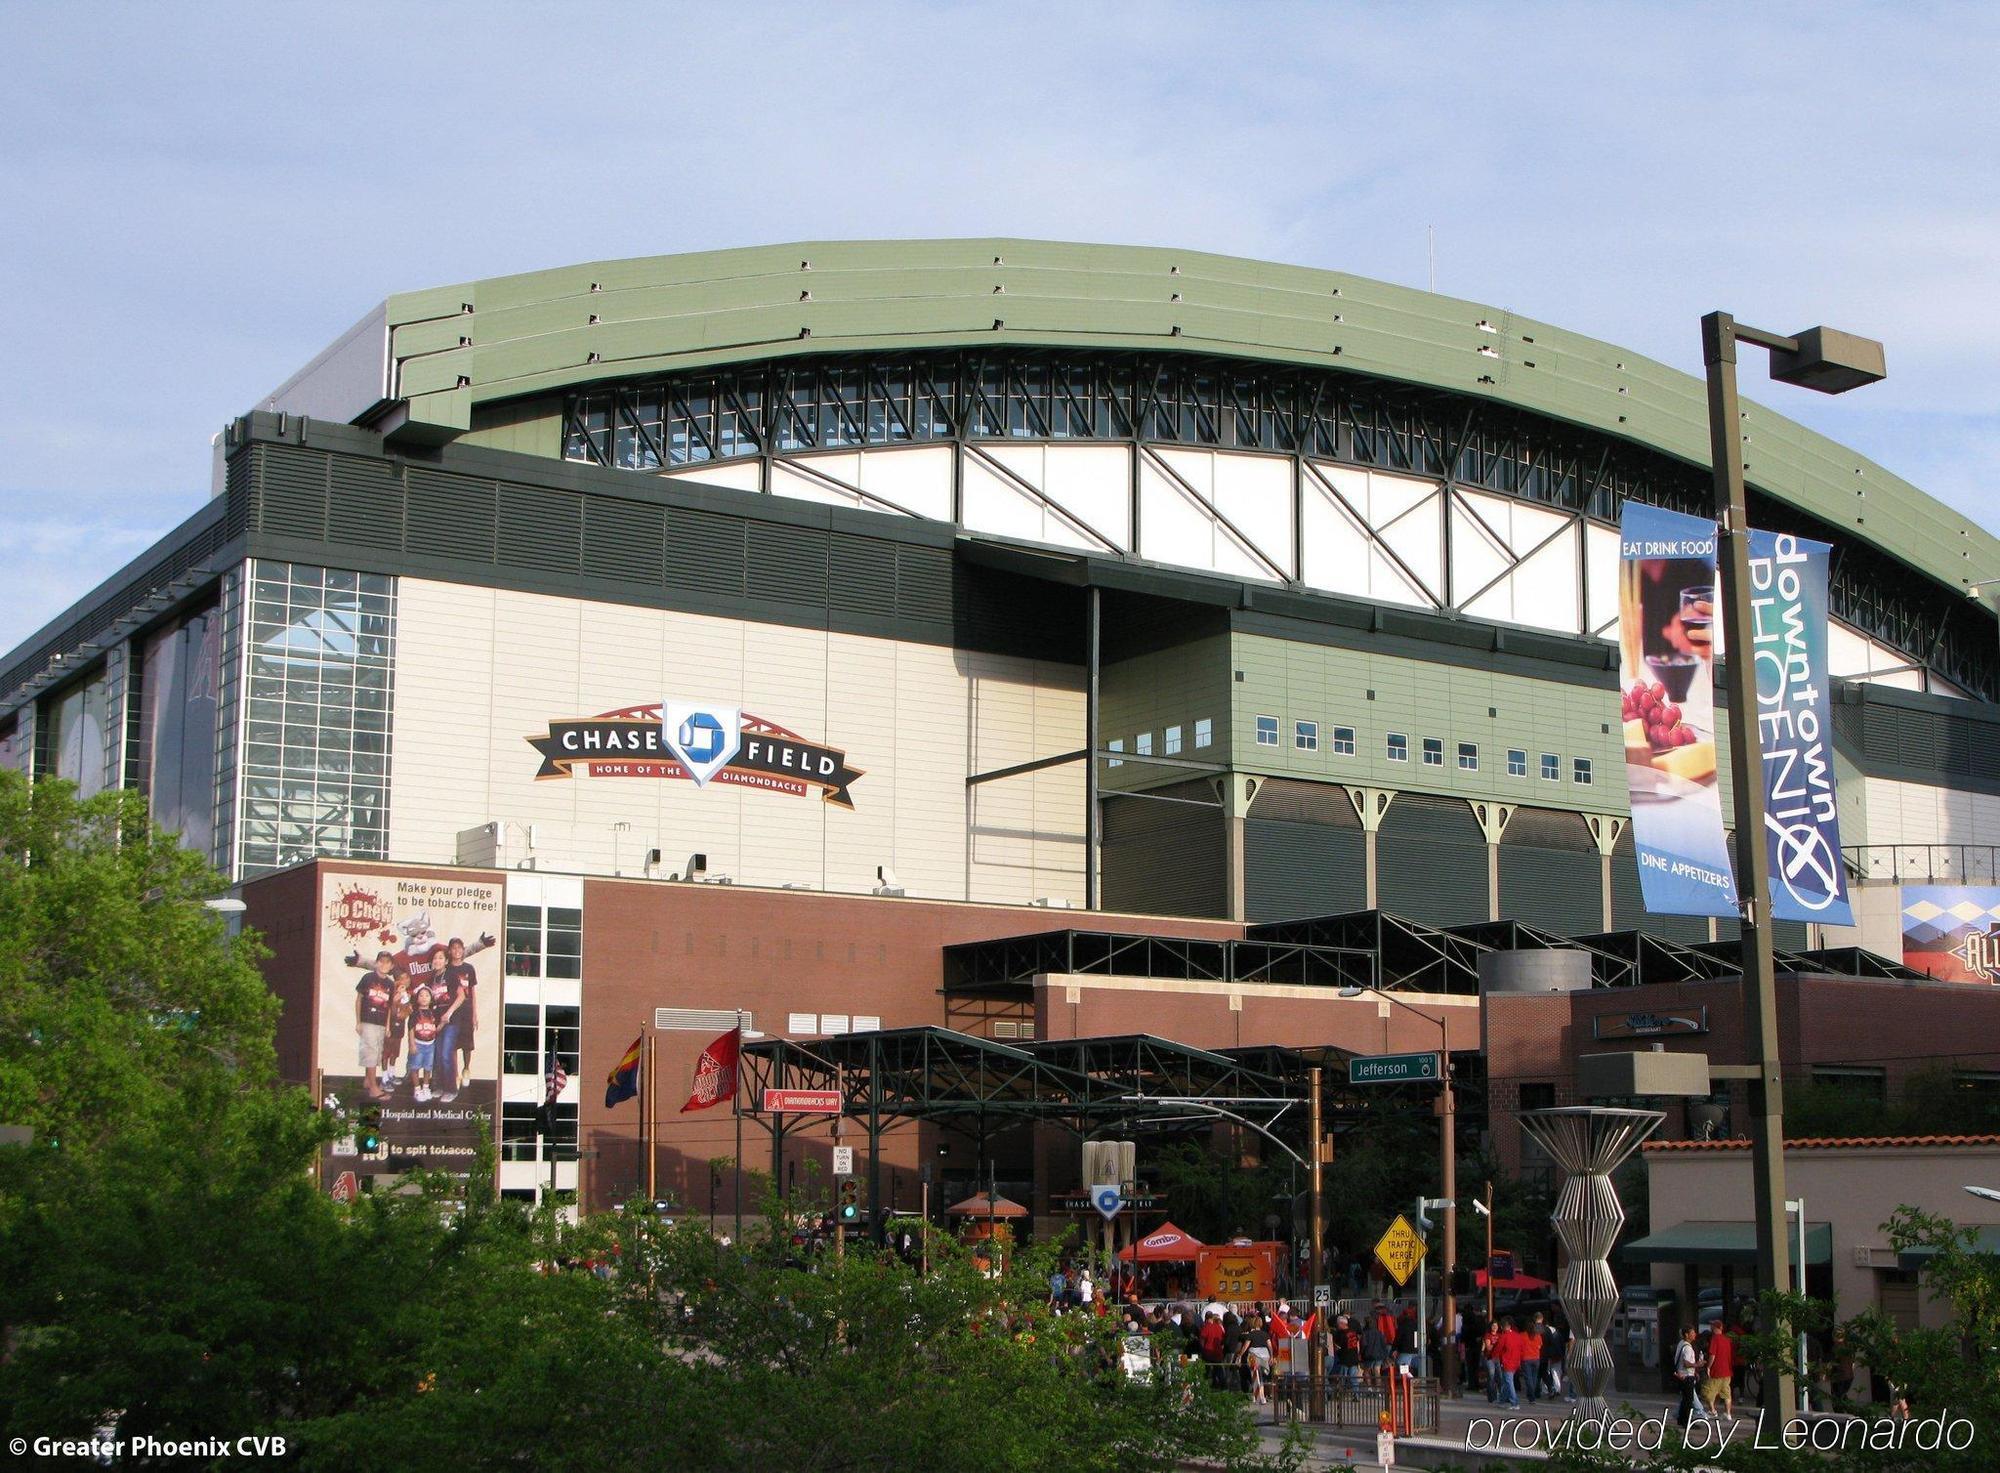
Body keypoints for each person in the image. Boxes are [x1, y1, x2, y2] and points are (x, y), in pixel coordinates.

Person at [354, 951, 395, 1100]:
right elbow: (359, 999)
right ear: (376, 963)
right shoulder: (368, 978)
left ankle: (367, 1080)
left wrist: (388, 1026)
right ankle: (373, 1088)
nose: (384, 965)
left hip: (381, 1023)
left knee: (376, 1053)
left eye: (387, 962)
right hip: (367, 1021)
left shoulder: (390, 984)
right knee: (370, 1052)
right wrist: (358, 1022)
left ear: (391, 966)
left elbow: (389, 1007)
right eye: (381, 961)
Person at [406, 982, 440, 1103]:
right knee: (415, 1067)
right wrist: (412, 1044)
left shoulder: (434, 1013)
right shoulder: (414, 1014)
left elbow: (436, 1028)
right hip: (418, 1044)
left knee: (427, 1068)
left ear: (431, 999)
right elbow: (410, 1029)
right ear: (417, 999)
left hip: (430, 1045)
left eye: (427, 995)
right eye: (421, 995)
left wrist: (443, 1023)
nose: (424, 998)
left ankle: (426, 1087)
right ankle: (417, 1089)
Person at [1702, 1320, 1734, 1420]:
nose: (1710, 1326)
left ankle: (1712, 1411)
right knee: (1726, 1393)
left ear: (1714, 1327)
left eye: (1711, 1325)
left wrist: (1708, 1366)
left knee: (1707, 1392)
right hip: (1727, 1371)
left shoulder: (1715, 1339)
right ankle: (1727, 1413)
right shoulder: (1727, 1339)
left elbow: (1713, 1355)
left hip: (1716, 1371)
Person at [1672, 1325, 1702, 1429]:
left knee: (1685, 1399)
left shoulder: (1681, 1344)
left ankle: (1681, 1419)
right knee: (1688, 1400)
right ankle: (1687, 1421)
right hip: (1686, 1376)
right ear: (1687, 1335)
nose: (1695, 1335)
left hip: (1681, 1375)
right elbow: (1686, 1363)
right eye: (1692, 1333)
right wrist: (1697, 1365)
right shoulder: (1688, 1348)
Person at [1242, 1312, 1273, 1404]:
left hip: (1254, 1357)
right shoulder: (1265, 1334)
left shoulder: (1251, 1334)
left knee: (1255, 1376)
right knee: (1261, 1377)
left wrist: (1240, 1355)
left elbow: (1245, 1346)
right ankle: (1260, 1396)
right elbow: (1270, 1346)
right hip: (1264, 1357)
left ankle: (1258, 1396)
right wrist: (1271, 1356)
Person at [1494, 1318, 1524, 1409]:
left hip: (1507, 1361)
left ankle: (1514, 1402)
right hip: (1516, 1361)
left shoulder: (1503, 1336)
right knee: (1506, 1382)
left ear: (1502, 1327)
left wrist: (1494, 1356)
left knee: (1508, 1382)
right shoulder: (1517, 1336)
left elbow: (1498, 1349)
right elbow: (1522, 1349)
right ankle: (1502, 1400)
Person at [1520, 1312, 1545, 1404]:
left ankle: (1531, 1396)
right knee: (1534, 1378)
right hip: (1536, 1358)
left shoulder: (1522, 1335)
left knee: (1528, 1378)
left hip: (1526, 1358)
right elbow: (1540, 1346)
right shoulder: (1537, 1335)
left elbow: (1519, 1347)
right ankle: (1532, 1393)